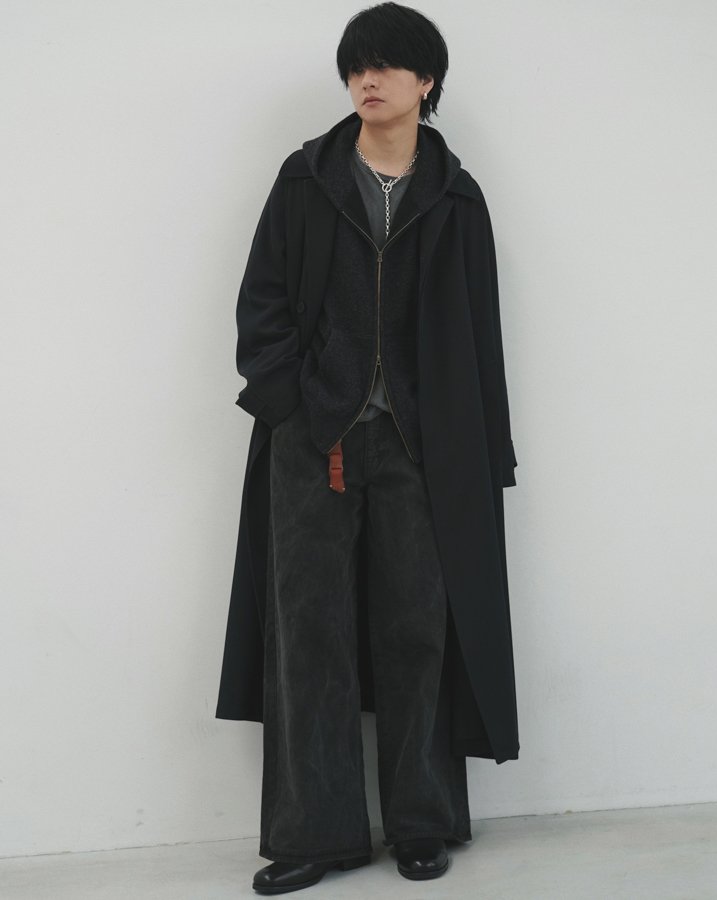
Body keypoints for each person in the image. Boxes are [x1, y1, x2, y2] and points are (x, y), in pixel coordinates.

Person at [215, 2, 520, 894]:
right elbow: (261, 305)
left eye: (385, 65)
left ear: (427, 81)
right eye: (356, 67)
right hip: (314, 442)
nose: (367, 80)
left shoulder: (457, 199)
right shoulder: (305, 181)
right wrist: (292, 406)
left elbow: (481, 334)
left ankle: (423, 822)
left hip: (421, 449)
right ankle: (315, 835)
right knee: (306, 635)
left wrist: (487, 451)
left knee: (419, 631)